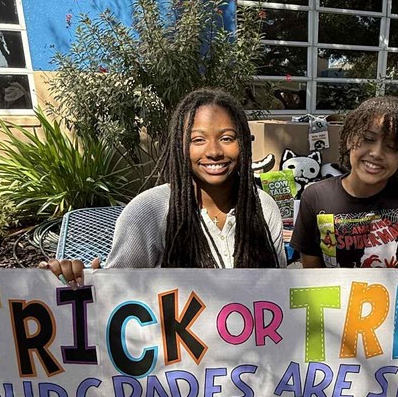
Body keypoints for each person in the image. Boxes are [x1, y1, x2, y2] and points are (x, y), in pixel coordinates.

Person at [41, 88, 286, 284]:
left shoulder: (264, 208)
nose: (213, 151)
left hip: (250, 344)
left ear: (243, 143)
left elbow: (279, 292)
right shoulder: (147, 212)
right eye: (197, 140)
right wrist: (72, 280)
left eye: (226, 138)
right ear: (179, 146)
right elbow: (117, 295)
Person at [290, 95, 398, 269]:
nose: (376, 153)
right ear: (349, 139)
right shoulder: (315, 197)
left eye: (392, 147)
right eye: (368, 139)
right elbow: (311, 278)